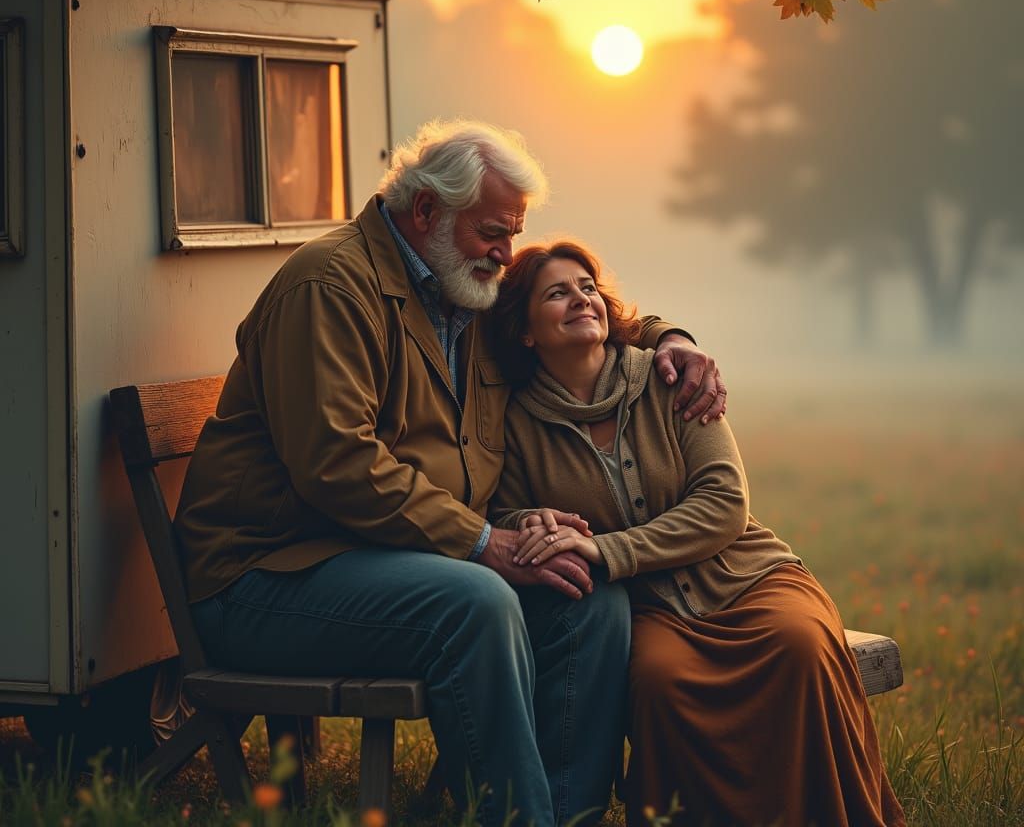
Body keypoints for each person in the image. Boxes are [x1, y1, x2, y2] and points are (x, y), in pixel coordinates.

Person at [173, 120, 727, 827]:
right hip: (267, 576)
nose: (507, 252)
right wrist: (485, 543)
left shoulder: (468, 287)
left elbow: (576, 307)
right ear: (427, 211)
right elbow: (337, 465)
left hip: (393, 555)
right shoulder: (330, 286)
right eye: (493, 232)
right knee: (475, 602)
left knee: (587, 597)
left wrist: (671, 338)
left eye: (513, 232)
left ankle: (570, 814)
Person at [488, 240, 906, 827]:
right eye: (557, 293)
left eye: (587, 287)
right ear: (526, 331)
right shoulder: (514, 419)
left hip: (746, 575)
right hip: (651, 606)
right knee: (661, 684)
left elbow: (725, 502)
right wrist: (527, 523)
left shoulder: (669, 379)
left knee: (802, 648)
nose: (581, 299)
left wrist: (607, 549)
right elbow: (503, 512)